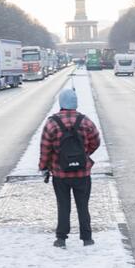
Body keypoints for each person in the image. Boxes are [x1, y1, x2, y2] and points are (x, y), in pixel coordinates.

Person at [38, 88, 101, 248]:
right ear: (75, 103)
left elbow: (45, 148)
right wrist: (85, 153)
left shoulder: (52, 123)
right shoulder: (85, 121)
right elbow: (96, 141)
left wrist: (44, 167)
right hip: (82, 173)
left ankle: (61, 238)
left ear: (61, 103)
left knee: (63, 205)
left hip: (60, 174)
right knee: (83, 205)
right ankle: (87, 238)